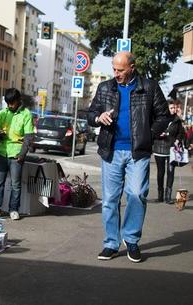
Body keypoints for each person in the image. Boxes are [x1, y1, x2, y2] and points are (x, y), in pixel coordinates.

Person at [88, 51, 169, 263]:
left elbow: (163, 116)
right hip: (111, 151)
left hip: (138, 152)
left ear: (132, 67)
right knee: (110, 200)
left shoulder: (149, 87)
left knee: (136, 194)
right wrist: (99, 117)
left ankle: (131, 239)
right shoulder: (105, 87)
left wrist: (147, 135)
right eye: (114, 69)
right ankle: (111, 244)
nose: (116, 73)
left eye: (121, 70)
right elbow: (90, 114)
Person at [0, 88, 34, 221]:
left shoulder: (26, 114)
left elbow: (29, 137)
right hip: (2, 152)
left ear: (18, 101)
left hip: (16, 154)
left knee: (15, 184)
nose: (10, 106)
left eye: (12, 103)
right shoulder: (2, 113)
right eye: (8, 103)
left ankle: (14, 209)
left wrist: (22, 154)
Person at [152, 100, 186, 204]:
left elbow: (181, 133)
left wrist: (177, 140)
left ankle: (168, 197)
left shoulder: (177, 120)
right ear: (167, 108)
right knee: (160, 172)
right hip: (159, 148)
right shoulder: (159, 118)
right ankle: (160, 196)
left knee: (171, 172)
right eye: (171, 108)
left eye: (175, 108)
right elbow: (152, 130)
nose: (174, 110)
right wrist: (158, 134)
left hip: (172, 149)